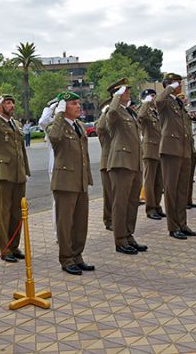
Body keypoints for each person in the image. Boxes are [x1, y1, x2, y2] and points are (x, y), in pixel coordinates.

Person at [47, 91, 94, 275]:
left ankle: (77, 255)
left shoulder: (79, 126)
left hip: (80, 180)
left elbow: (84, 155)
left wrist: (87, 177)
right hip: (65, 182)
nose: (78, 106)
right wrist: (58, 114)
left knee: (80, 222)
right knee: (65, 223)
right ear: (64, 107)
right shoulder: (56, 126)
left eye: (78, 102)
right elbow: (54, 138)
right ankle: (66, 258)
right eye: (74, 103)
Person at [0, 94, 30, 263]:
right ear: (0, 106)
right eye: (7, 103)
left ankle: (14, 246)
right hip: (4, 172)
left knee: (18, 213)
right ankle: (5, 249)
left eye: (12, 102)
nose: (11, 106)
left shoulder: (15, 124)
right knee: (5, 213)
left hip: (18, 172)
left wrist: (26, 170)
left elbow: (21, 149)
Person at [106, 80, 147, 255]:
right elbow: (112, 111)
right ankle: (120, 240)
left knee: (132, 202)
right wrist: (116, 96)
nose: (128, 92)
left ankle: (129, 235)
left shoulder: (128, 112)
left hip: (135, 163)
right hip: (121, 163)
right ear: (117, 94)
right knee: (121, 203)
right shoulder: (113, 111)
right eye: (125, 91)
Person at [156, 73, 196, 240]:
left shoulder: (178, 102)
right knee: (171, 189)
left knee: (182, 189)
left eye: (179, 83)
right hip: (170, 149)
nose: (180, 85)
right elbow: (158, 101)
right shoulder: (165, 101)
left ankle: (183, 223)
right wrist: (169, 88)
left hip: (184, 149)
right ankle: (173, 227)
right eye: (176, 83)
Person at [138, 88, 165, 221]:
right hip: (149, 150)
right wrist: (146, 103)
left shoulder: (156, 113)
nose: (154, 98)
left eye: (154, 96)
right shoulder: (145, 111)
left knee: (159, 182)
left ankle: (157, 206)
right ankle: (150, 208)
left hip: (160, 149)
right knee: (149, 181)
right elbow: (141, 116)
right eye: (151, 96)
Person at [38, 99, 58, 236]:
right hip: (56, 167)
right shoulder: (51, 125)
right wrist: (51, 107)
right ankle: (59, 232)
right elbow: (42, 122)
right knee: (58, 202)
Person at [95, 97, 114, 230]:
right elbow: (101, 127)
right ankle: (109, 220)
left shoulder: (116, 123)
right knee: (109, 195)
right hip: (107, 163)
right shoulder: (101, 124)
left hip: (119, 162)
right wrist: (106, 111)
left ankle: (116, 218)